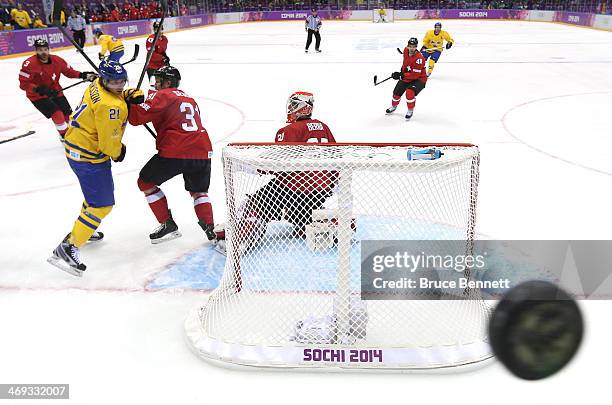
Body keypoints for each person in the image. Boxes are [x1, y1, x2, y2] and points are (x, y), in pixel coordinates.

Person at [48, 60, 144, 276]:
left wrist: (127, 94)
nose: (118, 85)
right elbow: (108, 145)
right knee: (102, 205)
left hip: (75, 146)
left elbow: (112, 94)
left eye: (122, 81)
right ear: (104, 79)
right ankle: (68, 247)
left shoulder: (95, 86)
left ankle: (84, 228)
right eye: (114, 82)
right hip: (89, 157)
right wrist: (119, 152)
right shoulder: (111, 107)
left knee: (94, 197)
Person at [216, 92, 336, 255]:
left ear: (305, 108)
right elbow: (337, 155)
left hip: (292, 189)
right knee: (301, 216)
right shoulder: (324, 127)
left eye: (295, 105)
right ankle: (328, 224)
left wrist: (248, 167)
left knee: (253, 205)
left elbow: (277, 165)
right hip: (320, 191)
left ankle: (239, 242)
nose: (291, 109)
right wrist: (332, 182)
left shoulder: (288, 130)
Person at [127, 66, 216, 244]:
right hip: (202, 150)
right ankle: (211, 230)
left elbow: (136, 119)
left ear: (168, 82)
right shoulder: (189, 99)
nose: (156, 83)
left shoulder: (163, 95)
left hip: (176, 150)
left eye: (159, 80)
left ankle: (167, 224)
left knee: (145, 182)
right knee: (199, 192)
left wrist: (129, 101)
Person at [18, 39, 96, 139]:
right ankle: (65, 137)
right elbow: (23, 84)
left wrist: (83, 75)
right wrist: (38, 89)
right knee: (57, 114)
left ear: (48, 49)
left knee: (68, 115)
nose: (43, 52)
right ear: (36, 51)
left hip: (55, 91)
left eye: (45, 49)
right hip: (37, 96)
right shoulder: (29, 64)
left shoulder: (57, 60)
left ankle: (73, 134)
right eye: (40, 50)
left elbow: (69, 72)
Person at [386, 37, 427, 121]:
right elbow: (405, 63)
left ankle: (410, 110)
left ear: (416, 47)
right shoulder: (405, 51)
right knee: (396, 92)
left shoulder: (419, 58)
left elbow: (415, 75)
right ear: (407, 46)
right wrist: (400, 73)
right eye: (410, 46)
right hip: (407, 76)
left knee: (409, 93)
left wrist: (402, 75)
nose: (412, 48)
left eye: (414, 46)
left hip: (419, 79)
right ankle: (394, 106)